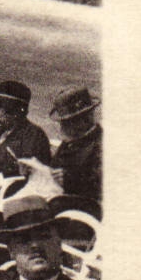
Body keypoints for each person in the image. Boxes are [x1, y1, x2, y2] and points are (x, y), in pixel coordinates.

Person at [48, 86, 101, 215]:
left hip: (87, 209)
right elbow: (54, 166)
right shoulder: (70, 141)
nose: (63, 127)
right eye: (63, 122)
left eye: (68, 122)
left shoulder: (100, 144)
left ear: (86, 119)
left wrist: (70, 180)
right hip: (63, 201)